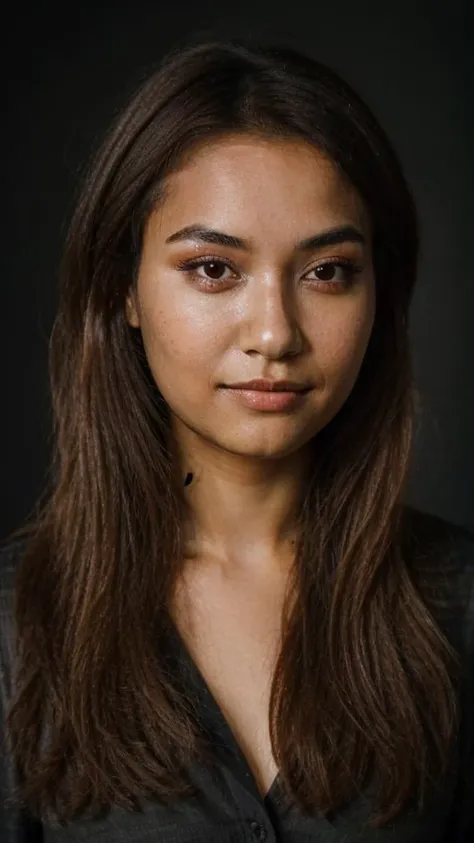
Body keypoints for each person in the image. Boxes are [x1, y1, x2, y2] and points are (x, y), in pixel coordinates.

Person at [1, 33, 473, 843]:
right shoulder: (17, 623)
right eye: (214, 269)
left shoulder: (458, 607)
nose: (274, 332)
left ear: (379, 293)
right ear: (126, 290)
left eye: (326, 272)